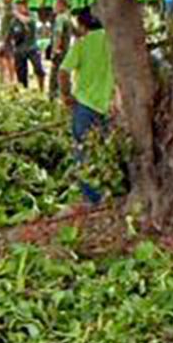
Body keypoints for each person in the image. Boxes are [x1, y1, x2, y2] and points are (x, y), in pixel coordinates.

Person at [58, 10, 117, 201]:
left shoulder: (82, 44)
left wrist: (66, 95)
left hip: (84, 106)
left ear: (83, 26)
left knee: (83, 153)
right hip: (110, 105)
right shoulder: (114, 41)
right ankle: (112, 192)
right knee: (107, 151)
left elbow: (63, 72)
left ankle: (93, 199)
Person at [10, 0, 45, 91]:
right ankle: (24, 90)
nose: (19, 8)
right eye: (18, 6)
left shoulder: (32, 15)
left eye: (21, 6)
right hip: (19, 50)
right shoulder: (14, 21)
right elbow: (10, 35)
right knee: (21, 73)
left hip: (32, 47)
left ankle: (41, 89)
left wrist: (16, 13)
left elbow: (28, 21)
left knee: (39, 69)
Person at [47, 0, 74, 101]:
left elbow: (58, 34)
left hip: (60, 51)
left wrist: (54, 51)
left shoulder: (60, 18)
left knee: (55, 76)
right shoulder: (69, 18)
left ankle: (53, 97)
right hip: (67, 51)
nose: (54, 7)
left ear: (60, 5)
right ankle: (65, 95)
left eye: (55, 4)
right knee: (65, 74)